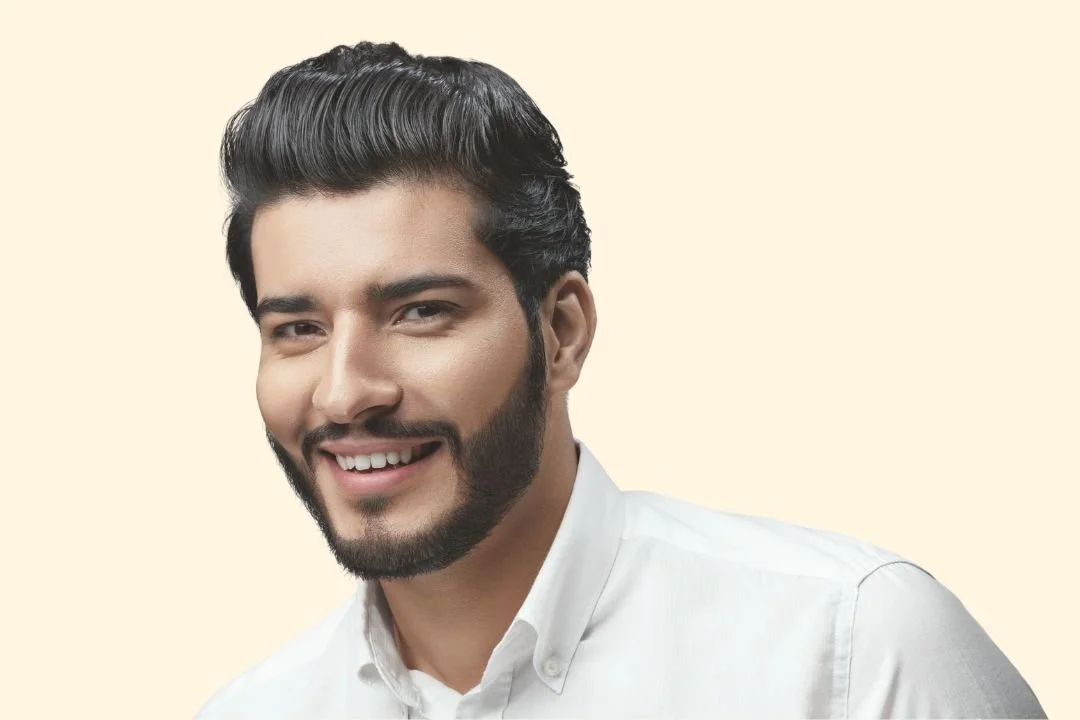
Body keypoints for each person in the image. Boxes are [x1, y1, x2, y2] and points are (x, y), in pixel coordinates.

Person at [196, 41, 1045, 719]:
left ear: (561, 332)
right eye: (298, 329)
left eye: (420, 312)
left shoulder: (852, 653)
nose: (346, 393)